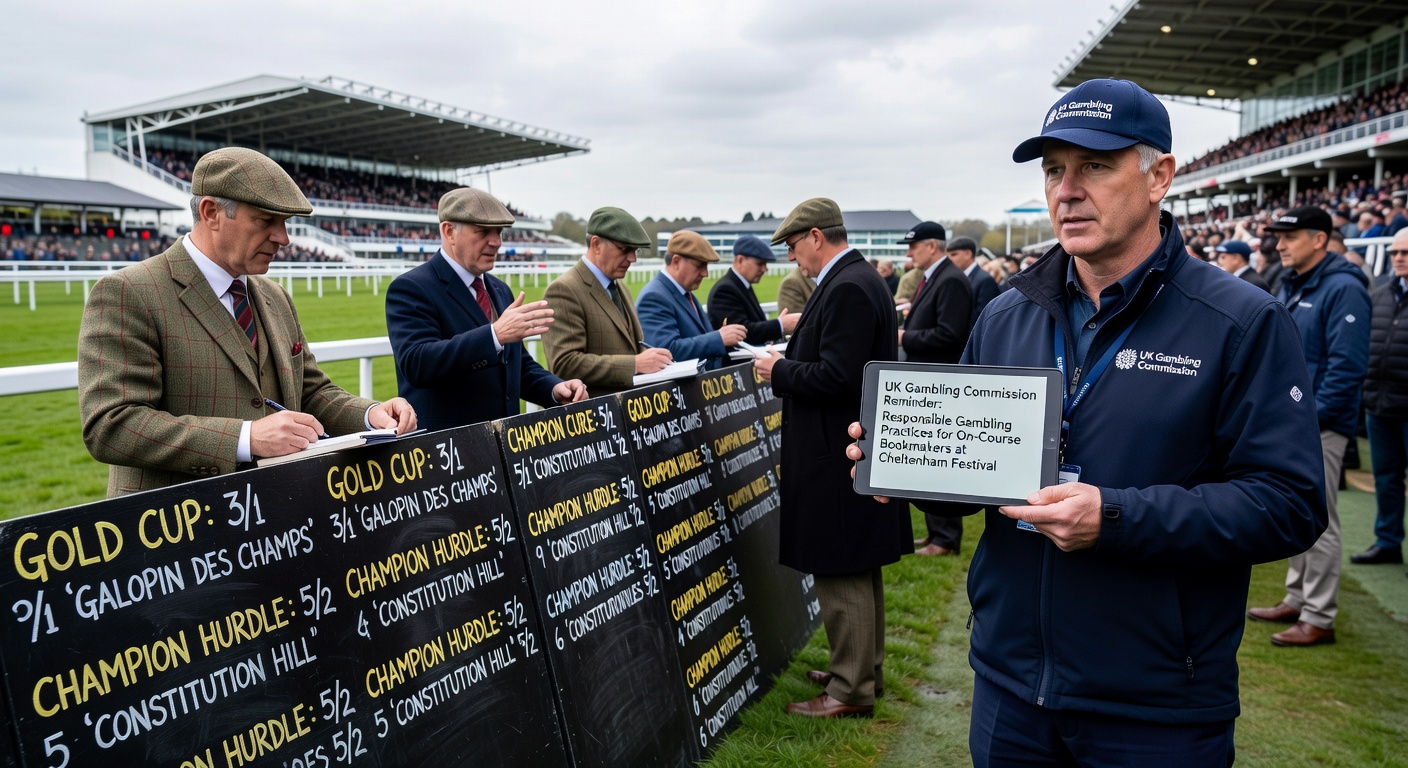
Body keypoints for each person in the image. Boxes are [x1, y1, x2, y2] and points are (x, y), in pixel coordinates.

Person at [848, 78, 1324, 764]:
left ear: (1159, 175)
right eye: (1053, 170)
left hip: (1155, 705)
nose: (1066, 190)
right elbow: (984, 472)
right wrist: (908, 465)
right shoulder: (1006, 313)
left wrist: (1117, 518)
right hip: (1010, 689)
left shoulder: (1241, 321)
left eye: (1094, 166)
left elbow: (1289, 503)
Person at [78, 147, 417, 496]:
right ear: (211, 213)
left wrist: (370, 414)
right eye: (266, 221)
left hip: (269, 524)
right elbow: (111, 425)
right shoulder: (129, 291)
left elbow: (311, 392)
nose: (283, 238)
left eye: (285, 224)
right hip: (175, 530)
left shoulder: (276, 296)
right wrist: (247, 438)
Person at [753, 197, 909, 719]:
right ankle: (862, 669)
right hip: (846, 446)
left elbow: (839, 375)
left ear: (817, 237)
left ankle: (850, 690)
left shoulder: (845, 287)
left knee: (842, 570)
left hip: (835, 452)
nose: (795, 259)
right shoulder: (859, 280)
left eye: (796, 247)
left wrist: (778, 371)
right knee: (857, 567)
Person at [1247, 206, 1371, 647]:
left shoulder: (1342, 288)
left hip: (1321, 424)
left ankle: (1319, 614)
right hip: (1298, 422)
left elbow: (1346, 367)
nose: (1279, 244)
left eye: (1291, 236)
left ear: (1319, 239)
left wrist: (1308, 422)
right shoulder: (1296, 283)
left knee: (1320, 517)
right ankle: (1298, 597)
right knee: (1298, 511)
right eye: (1278, 236)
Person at [385, 188, 587, 432]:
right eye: (483, 231)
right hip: (446, 451)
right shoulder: (411, 287)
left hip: (504, 446)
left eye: (499, 232)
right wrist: (494, 335)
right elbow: (417, 363)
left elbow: (517, 366)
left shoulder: (500, 290)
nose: (496, 242)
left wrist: (554, 388)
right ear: (449, 231)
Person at [896, 221, 973, 558]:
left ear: (932, 246)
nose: (909, 253)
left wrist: (905, 337)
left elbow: (951, 334)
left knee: (939, 464)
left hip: (941, 383)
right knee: (928, 462)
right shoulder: (938, 277)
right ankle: (934, 535)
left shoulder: (951, 279)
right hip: (930, 381)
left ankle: (944, 539)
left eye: (913, 246)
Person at [542, 207, 672, 396]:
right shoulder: (564, 290)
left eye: (635, 250)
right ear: (596, 244)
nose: (632, 258)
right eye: (624, 249)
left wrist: (656, 360)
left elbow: (631, 346)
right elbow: (565, 364)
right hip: (594, 416)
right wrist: (635, 364)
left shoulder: (621, 288)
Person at [1355, 228, 1408, 567]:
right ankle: (1387, 541)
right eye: (1394, 253)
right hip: (1380, 402)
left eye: (1405, 253)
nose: (1399, 258)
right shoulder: (1381, 294)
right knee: (1386, 477)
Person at [635, 231, 747, 370]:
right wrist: (718, 338)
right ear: (676, 261)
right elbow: (665, 351)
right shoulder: (654, 297)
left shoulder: (684, 292)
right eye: (700, 265)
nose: (705, 273)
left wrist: (721, 338)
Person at [706, 235, 798, 345]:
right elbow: (742, 332)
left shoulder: (740, 285)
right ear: (740, 260)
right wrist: (780, 325)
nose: (765, 269)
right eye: (760, 263)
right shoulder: (725, 290)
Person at [948, 236, 1000, 324]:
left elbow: (984, 317)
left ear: (968, 254)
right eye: (948, 256)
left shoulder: (984, 280)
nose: (950, 259)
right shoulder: (957, 277)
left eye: (954, 254)